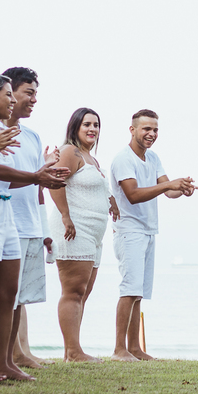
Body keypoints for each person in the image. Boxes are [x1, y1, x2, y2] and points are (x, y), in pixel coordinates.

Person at [0, 75, 66, 384]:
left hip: (4, 209)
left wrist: (41, 176)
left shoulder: (10, 134)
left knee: (9, 294)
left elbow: (10, 179)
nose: (14, 101)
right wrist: (37, 177)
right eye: (9, 95)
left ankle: (2, 363)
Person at [108, 110, 198, 362]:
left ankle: (135, 349)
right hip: (129, 230)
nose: (151, 134)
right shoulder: (123, 159)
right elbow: (133, 194)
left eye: (155, 130)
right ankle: (119, 350)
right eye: (146, 129)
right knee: (129, 289)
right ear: (132, 130)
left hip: (148, 230)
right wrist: (168, 185)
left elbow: (168, 191)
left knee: (139, 293)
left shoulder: (154, 157)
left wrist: (182, 188)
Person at [50, 108, 119, 362]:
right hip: (74, 229)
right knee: (73, 290)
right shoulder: (69, 151)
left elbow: (94, 187)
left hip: (93, 233)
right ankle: (73, 351)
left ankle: (74, 348)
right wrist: (66, 216)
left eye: (96, 125)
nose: (93, 129)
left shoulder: (91, 158)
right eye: (87, 124)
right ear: (76, 127)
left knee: (84, 292)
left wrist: (111, 202)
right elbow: (54, 183)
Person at [2, 67, 52, 369]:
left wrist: (44, 228)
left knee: (18, 295)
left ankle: (19, 352)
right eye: (29, 92)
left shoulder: (32, 136)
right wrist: (39, 175)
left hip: (29, 221)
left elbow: (38, 185)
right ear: (10, 91)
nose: (34, 99)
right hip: (0, 220)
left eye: (36, 94)